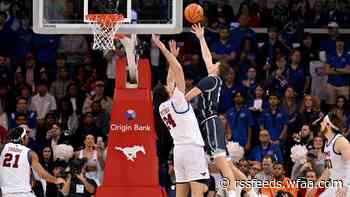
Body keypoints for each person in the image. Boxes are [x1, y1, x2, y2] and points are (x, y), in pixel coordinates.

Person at [152, 35, 209, 197]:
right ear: (168, 92)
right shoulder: (177, 101)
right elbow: (178, 70)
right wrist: (162, 48)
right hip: (192, 149)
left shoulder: (163, 107)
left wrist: (173, 57)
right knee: (199, 191)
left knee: (181, 193)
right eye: (168, 86)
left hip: (179, 152)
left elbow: (171, 78)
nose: (170, 84)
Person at [185, 24, 237, 196]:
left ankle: (232, 194)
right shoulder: (215, 80)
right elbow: (207, 57)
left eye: (214, 64)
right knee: (226, 164)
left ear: (217, 69)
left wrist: (173, 100)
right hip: (210, 122)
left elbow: (187, 97)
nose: (211, 63)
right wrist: (201, 38)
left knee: (222, 163)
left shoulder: (210, 81)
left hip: (211, 122)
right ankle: (249, 191)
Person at [0, 126, 64, 197]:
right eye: (26, 136)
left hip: (6, 193)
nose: (28, 138)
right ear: (22, 138)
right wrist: (56, 180)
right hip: (23, 193)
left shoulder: (3, 148)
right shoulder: (30, 153)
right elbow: (42, 173)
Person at [319, 112, 350, 196]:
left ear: (328, 125)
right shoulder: (327, 144)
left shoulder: (341, 141)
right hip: (334, 185)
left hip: (345, 186)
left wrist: (345, 186)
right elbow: (328, 170)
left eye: (323, 122)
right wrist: (315, 187)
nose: (321, 124)